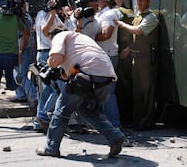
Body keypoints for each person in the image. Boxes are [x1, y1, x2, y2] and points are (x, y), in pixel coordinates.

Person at [35, 27, 125, 158]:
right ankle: (115, 136)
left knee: (61, 112)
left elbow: (55, 59)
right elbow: (69, 73)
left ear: (52, 37)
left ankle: (51, 148)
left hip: (85, 76)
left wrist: (49, 64)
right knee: (89, 111)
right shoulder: (81, 39)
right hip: (106, 77)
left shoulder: (60, 36)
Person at [115, 0, 159, 130]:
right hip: (136, 57)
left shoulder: (151, 17)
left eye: (142, 0)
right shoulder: (139, 16)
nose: (139, 2)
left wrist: (121, 24)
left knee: (146, 92)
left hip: (147, 59)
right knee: (137, 92)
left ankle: (146, 121)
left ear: (148, 2)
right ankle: (137, 120)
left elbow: (138, 31)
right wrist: (129, 48)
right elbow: (133, 37)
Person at [34, 0, 65, 132]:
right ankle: (41, 117)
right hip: (45, 53)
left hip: (54, 51)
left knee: (51, 89)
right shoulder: (42, 14)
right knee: (52, 89)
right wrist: (52, 13)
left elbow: (62, 30)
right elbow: (45, 31)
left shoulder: (56, 15)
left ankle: (41, 118)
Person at [94, 0, 121, 128]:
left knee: (108, 92)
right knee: (101, 92)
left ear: (104, 0)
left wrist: (90, 37)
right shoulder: (99, 14)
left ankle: (114, 124)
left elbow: (106, 35)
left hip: (108, 56)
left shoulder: (109, 14)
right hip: (101, 56)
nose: (94, 2)